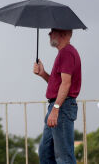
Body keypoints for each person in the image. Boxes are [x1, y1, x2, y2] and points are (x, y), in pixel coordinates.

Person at [32, 28, 82, 164]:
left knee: (64, 156)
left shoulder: (66, 53)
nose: (49, 33)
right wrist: (43, 73)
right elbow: (58, 84)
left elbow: (66, 84)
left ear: (63, 33)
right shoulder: (64, 53)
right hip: (58, 106)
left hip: (62, 107)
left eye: (52, 31)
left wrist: (56, 109)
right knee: (45, 151)